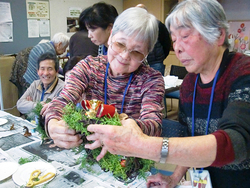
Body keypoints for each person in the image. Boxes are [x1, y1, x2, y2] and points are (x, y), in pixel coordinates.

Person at [85, 0, 250, 187]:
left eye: (185, 36)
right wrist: (174, 177)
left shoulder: (243, 73)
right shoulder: (189, 84)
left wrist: (143, 145)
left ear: (219, 35)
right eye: (174, 39)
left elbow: (237, 142)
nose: (177, 48)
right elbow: (191, 141)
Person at [44, 7, 165, 149]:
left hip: (130, 155)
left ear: (147, 53)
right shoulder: (88, 67)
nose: (124, 56)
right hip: (91, 151)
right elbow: (63, 100)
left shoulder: (151, 79)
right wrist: (52, 124)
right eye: (120, 44)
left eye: (137, 52)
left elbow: (153, 124)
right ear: (111, 35)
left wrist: (124, 124)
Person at [136, 4, 171, 76]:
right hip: (138, 63)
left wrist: (161, 57)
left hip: (156, 63)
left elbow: (166, 42)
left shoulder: (157, 25)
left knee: (156, 85)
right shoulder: (133, 27)